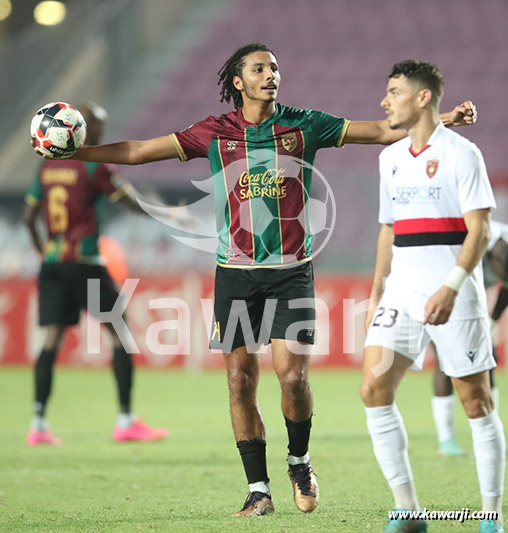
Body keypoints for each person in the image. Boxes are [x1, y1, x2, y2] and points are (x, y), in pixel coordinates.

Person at [32, 43, 476, 516]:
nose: (271, 74)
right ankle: (258, 489)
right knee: (240, 381)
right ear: (239, 83)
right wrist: (79, 153)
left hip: (291, 275)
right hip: (235, 276)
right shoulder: (215, 132)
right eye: (260, 68)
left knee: (292, 377)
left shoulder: (304, 124)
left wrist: (442, 116)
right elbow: (140, 151)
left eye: (275, 67)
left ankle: (300, 462)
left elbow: (380, 130)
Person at [361, 60, 504, 533]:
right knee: (373, 389)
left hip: (454, 294)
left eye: (394, 92)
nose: (385, 101)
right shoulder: (389, 158)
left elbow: (480, 231)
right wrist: (378, 290)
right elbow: (388, 228)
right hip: (401, 292)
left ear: (423, 97)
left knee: (477, 403)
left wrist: (454, 285)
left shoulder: (464, 155)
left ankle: (490, 516)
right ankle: (408, 512)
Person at [24, 102, 170, 446]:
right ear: (80, 128)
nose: (100, 132)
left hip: (53, 263)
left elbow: (30, 218)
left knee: (51, 340)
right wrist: (161, 212)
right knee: (121, 333)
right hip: (86, 261)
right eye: (97, 126)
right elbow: (127, 200)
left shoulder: (46, 166)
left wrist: (44, 252)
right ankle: (125, 420)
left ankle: (38, 423)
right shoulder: (93, 168)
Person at [431, 219, 507, 457]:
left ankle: (491, 433)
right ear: (494, 259)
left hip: (469, 298)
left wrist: (492, 322)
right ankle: (446, 440)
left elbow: (505, 290)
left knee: (488, 358)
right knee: (446, 361)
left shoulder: (502, 253)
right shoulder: (468, 244)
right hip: (437, 289)